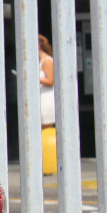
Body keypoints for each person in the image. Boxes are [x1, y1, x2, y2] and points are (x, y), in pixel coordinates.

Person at [39, 34, 57, 174]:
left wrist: (36, 78)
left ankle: (49, 162)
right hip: (41, 98)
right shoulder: (40, 62)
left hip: (46, 100)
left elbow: (51, 80)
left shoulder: (47, 61)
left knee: (46, 130)